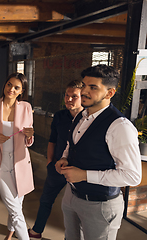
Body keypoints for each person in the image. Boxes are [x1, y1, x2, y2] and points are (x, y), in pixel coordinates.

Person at [55, 64, 142, 240]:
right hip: (71, 196)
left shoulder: (120, 127)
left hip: (100, 205)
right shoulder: (81, 114)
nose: (84, 91)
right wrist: (64, 157)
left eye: (93, 87)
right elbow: (71, 143)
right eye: (84, 85)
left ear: (110, 93)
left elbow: (132, 176)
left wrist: (84, 175)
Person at [28, 80, 84, 239]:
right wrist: (50, 162)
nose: (69, 99)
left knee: (77, 207)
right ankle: (36, 231)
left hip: (79, 171)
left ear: (83, 97)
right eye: (67, 95)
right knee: (46, 200)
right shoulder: (59, 116)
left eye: (74, 96)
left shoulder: (88, 119)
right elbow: (52, 140)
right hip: (57, 167)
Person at [0, 73, 34, 240]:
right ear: (4, 85)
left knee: (17, 205)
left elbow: (29, 141)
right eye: (9, 85)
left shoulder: (26, 108)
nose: (11, 89)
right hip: (1, 164)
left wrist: (30, 135)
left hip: (21, 164)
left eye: (16, 87)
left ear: (22, 91)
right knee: (15, 209)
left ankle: (10, 234)